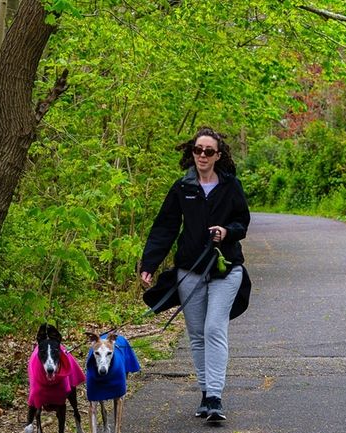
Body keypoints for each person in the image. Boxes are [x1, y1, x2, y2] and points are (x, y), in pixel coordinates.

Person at [139, 126, 251, 422]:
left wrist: (227, 232)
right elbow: (165, 227)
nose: (203, 155)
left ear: (218, 155)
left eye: (209, 151)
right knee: (197, 334)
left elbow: (243, 222)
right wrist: (149, 263)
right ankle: (204, 392)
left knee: (214, 328)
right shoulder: (182, 187)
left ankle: (215, 397)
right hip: (189, 270)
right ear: (192, 153)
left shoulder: (231, 186)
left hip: (226, 269)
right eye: (198, 150)